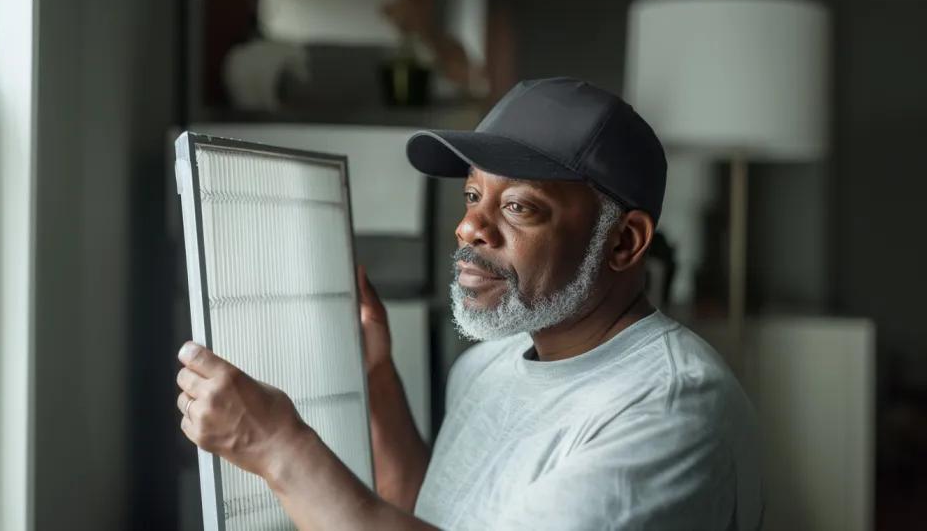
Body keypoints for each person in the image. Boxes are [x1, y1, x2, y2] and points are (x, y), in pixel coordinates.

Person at [175, 77, 763, 530]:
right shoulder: (486, 365)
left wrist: (278, 448)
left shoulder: (670, 409)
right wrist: (377, 376)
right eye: (473, 194)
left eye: (519, 206)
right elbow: (428, 513)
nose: (468, 227)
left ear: (624, 241)